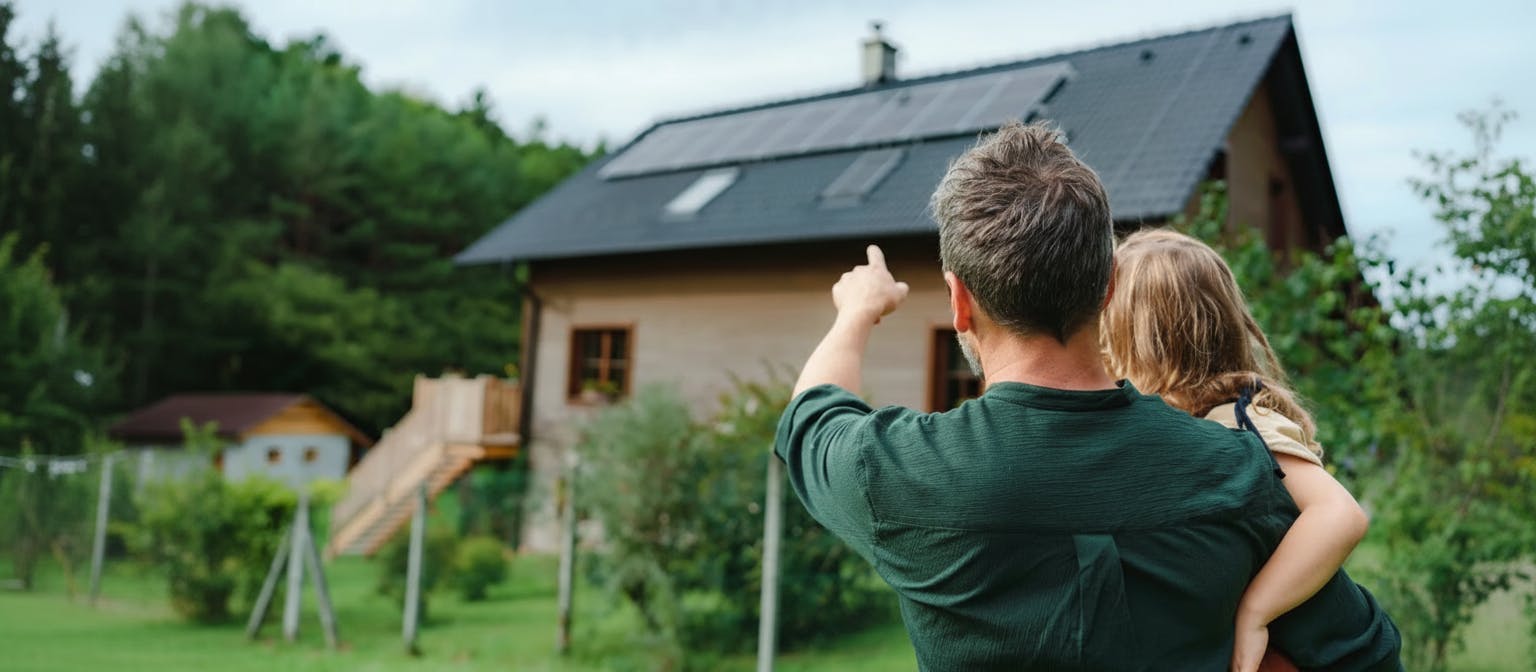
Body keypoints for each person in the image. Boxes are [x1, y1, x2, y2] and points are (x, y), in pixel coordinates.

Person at [774, 120, 1401, 670]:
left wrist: (857, 311)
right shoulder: (1237, 469)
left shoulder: (895, 472)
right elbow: (1366, 653)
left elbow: (813, 412)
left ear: (959, 301)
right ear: (1106, 287)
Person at [1102, 229, 1370, 672]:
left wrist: (1255, 613)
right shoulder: (1187, 427)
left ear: (1139, 341)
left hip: (1330, 655)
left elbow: (1340, 515)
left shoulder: (1243, 422)